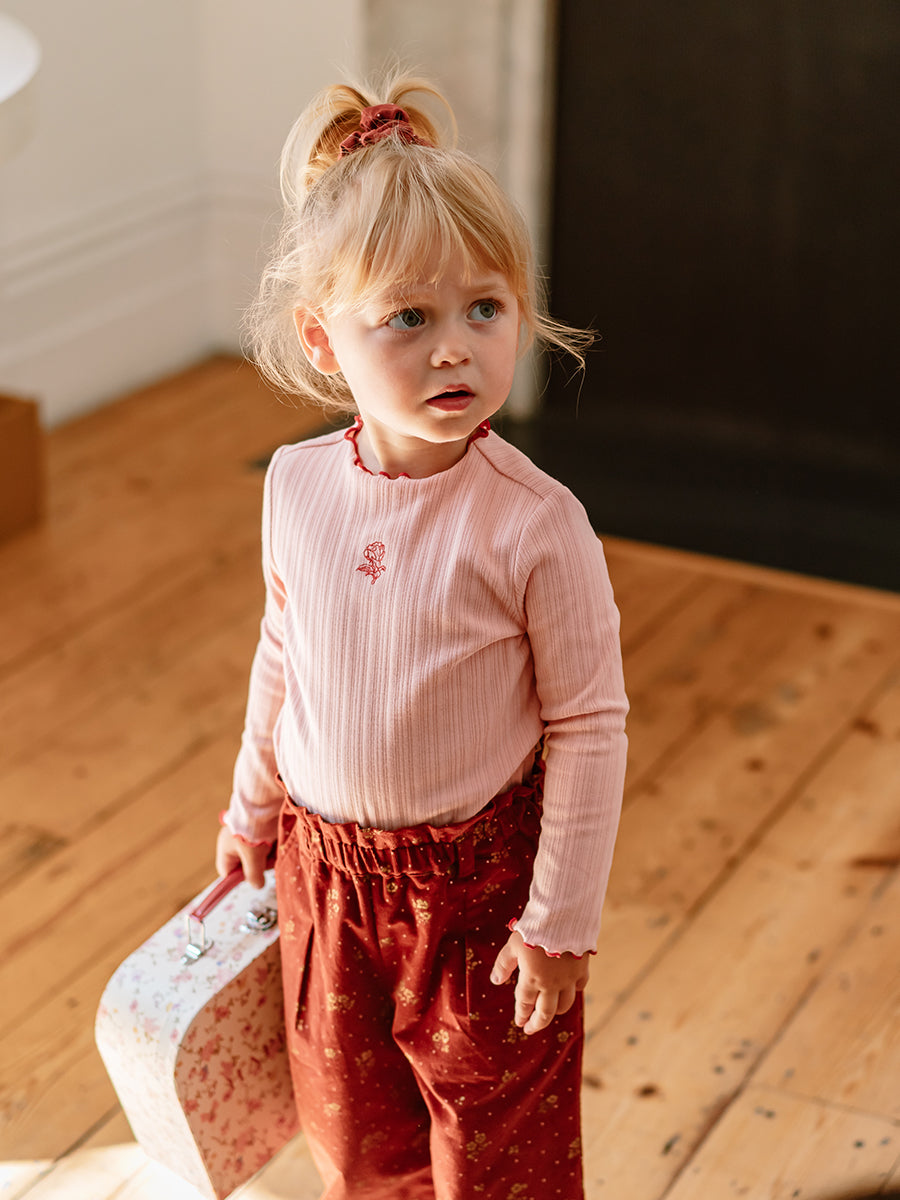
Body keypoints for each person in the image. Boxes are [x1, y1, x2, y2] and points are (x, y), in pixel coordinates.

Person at [215, 74, 628, 1200]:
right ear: (322, 339)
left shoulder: (535, 524)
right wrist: (251, 809)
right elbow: (284, 653)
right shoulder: (296, 485)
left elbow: (589, 727)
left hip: (480, 903)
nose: (457, 349)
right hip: (325, 885)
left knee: (505, 1158)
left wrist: (561, 923)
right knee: (358, 1147)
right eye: (410, 318)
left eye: (485, 309)